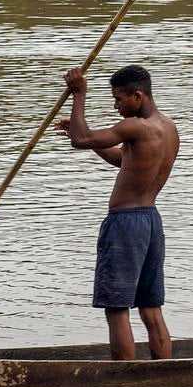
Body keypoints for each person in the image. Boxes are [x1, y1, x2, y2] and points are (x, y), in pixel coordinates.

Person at [55, 64, 179, 360]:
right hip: (150, 221)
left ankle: (124, 378)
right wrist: (82, 132)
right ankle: (165, 374)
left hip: (125, 224)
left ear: (138, 96)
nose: (116, 105)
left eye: (119, 99)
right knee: (150, 306)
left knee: (116, 307)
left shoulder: (135, 127)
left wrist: (79, 94)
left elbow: (80, 140)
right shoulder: (169, 128)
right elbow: (120, 160)